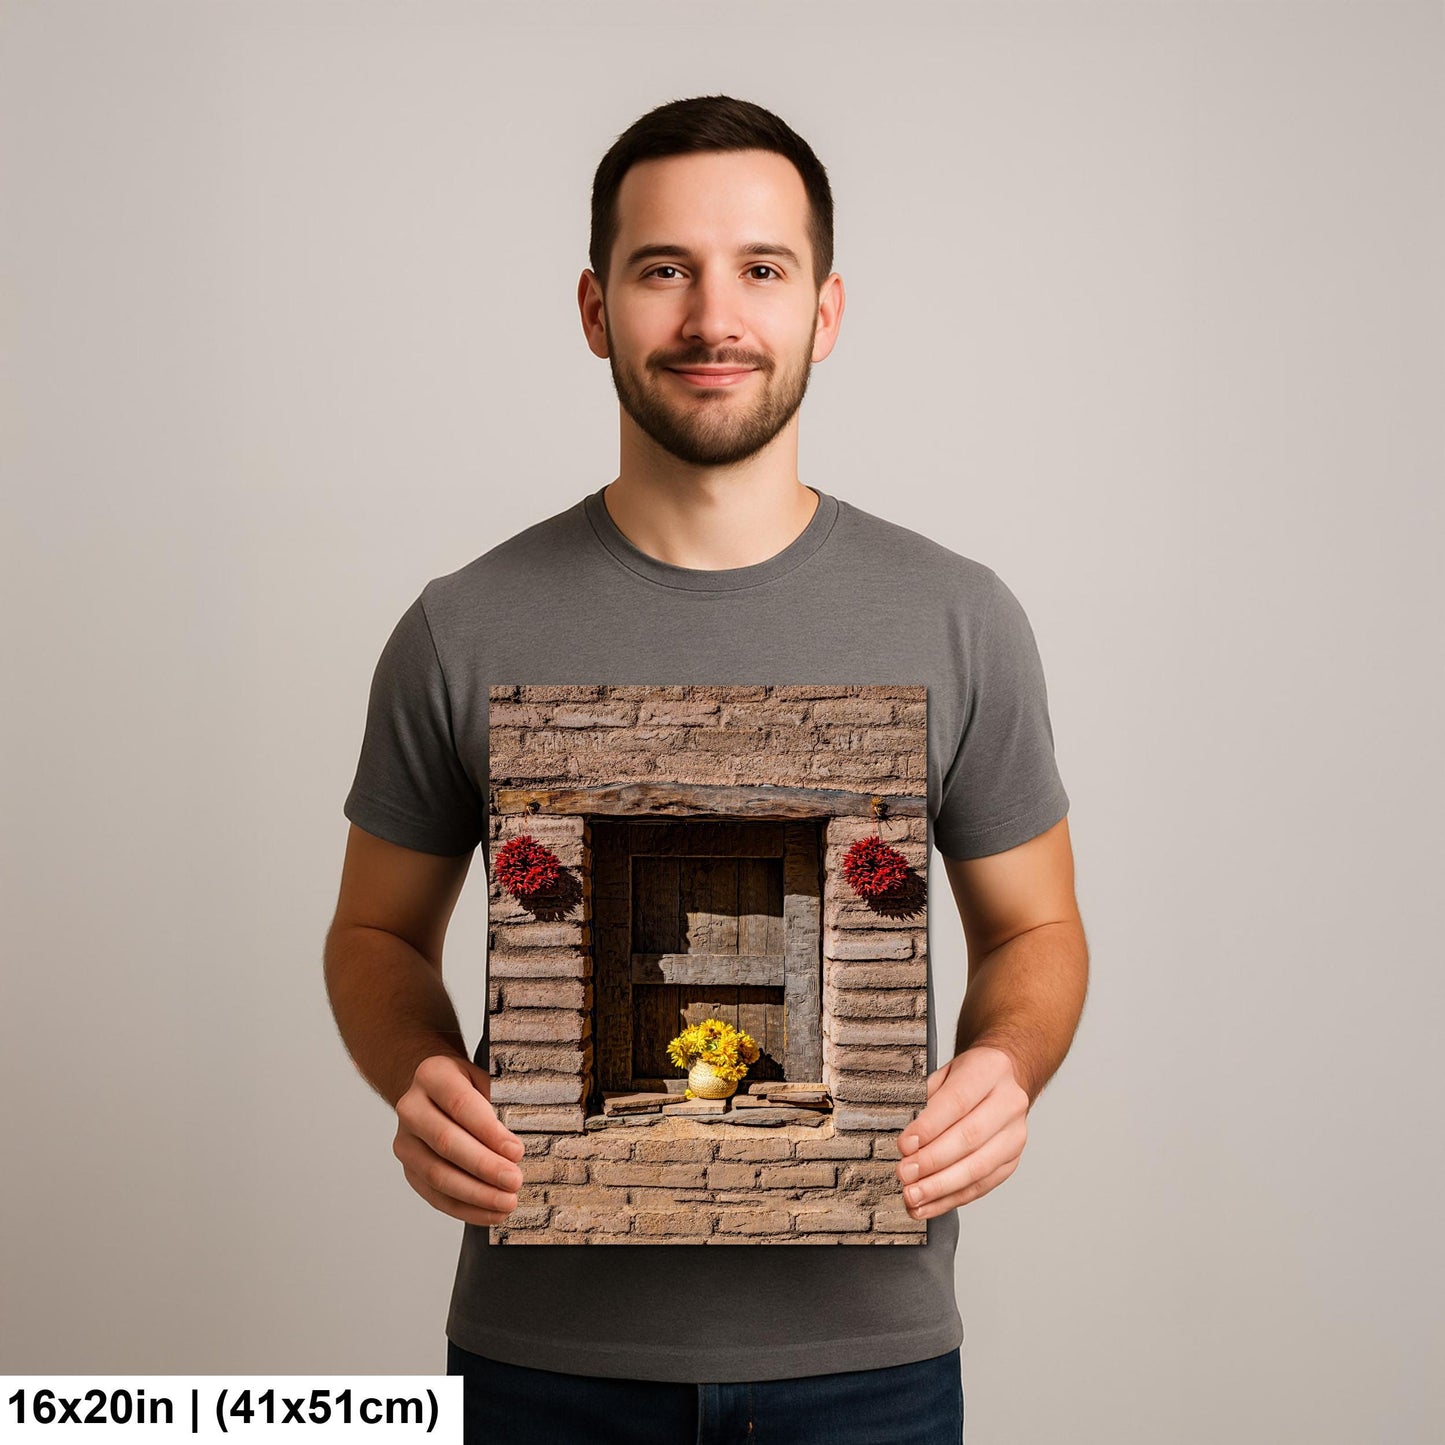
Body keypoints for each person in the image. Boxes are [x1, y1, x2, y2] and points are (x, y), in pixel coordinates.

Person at [325, 94, 1089, 1445]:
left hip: (868, 1362)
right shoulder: (462, 624)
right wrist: (418, 1068)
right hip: (538, 1359)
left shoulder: (960, 617)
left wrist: (1004, 1063)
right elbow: (375, 931)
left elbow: (1036, 928)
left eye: (760, 269)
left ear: (826, 310)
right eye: (662, 268)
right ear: (593, 306)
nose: (711, 318)